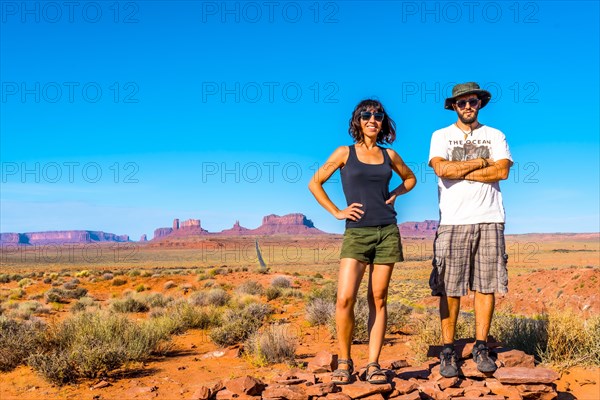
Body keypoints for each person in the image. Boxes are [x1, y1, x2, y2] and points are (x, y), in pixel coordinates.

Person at [308, 99, 416, 384]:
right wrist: (336, 211)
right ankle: (344, 362)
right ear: (357, 120)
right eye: (366, 115)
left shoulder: (389, 154)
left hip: (386, 232)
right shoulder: (345, 152)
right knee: (344, 298)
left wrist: (394, 194)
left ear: (383, 122)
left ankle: (373, 364)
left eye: (378, 115)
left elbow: (410, 178)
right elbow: (314, 183)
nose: (372, 119)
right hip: (357, 232)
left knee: (378, 299)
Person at [428, 82, 513, 377]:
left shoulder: (495, 135)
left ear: (480, 104)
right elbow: (442, 170)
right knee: (450, 289)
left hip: (490, 217)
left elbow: (501, 171)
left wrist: (460, 168)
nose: (467, 107)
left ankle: (480, 346)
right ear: (453, 106)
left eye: (472, 101)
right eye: (461, 102)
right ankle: (448, 350)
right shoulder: (441, 136)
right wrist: (481, 163)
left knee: (485, 285)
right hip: (453, 220)